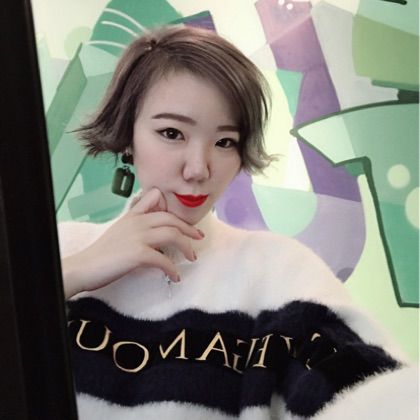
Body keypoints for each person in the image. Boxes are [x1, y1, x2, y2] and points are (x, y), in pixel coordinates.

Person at [59, 26, 417, 419]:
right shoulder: (60, 250)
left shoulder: (276, 270)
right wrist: (70, 274)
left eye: (225, 142)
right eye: (172, 133)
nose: (199, 169)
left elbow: (368, 392)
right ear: (128, 134)